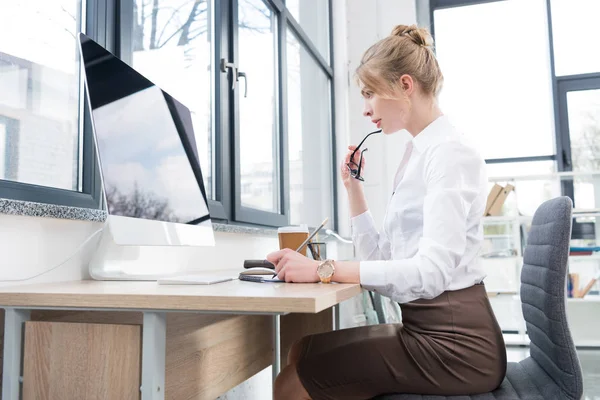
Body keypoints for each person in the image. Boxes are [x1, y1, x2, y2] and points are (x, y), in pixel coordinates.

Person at [266, 24, 507, 400]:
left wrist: (322, 271)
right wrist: (353, 189)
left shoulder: (448, 153)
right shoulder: (418, 153)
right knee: (302, 351)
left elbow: (430, 273)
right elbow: (380, 261)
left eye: (370, 95)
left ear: (405, 86)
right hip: (424, 327)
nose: (365, 110)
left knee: (292, 384)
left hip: (458, 346)